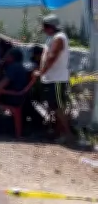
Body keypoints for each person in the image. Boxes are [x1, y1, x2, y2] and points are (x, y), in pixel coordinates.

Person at [36, 14, 73, 142]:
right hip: (50, 78)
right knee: (54, 107)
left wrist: (41, 72)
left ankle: (67, 134)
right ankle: (58, 133)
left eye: (45, 28)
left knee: (59, 107)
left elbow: (52, 57)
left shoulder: (59, 38)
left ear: (50, 27)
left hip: (57, 79)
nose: (44, 31)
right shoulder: (52, 37)